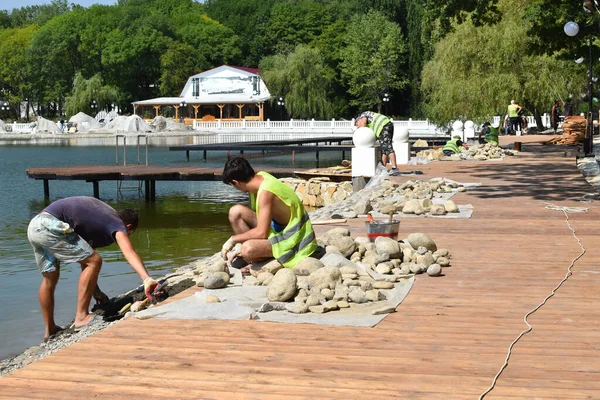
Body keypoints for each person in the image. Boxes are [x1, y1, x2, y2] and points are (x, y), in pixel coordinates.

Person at [27, 196, 160, 341]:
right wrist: (147, 279)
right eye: (129, 234)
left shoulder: (99, 220)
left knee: (50, 279)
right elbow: (129, 253)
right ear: (128, 227)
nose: (125, 236)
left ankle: (49, 329)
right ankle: (81, 317)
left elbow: (86, 262)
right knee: (95, 261)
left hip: (35, 225)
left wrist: (97, 293)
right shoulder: (116, 222)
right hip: (51, 225)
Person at [220, 157, 318, 270]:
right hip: (275, 231)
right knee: (235, 212)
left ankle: (262, 257)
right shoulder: (261, 176)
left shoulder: (266, 192)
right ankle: (259, 254)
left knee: (247, 249)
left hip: (292, 240)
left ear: (236, 182)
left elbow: (262, 233)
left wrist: (233, 240)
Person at [354, 111, 400, 176]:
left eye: (357, 125)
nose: (357, 127)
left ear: (358, 120)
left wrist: (360, 130)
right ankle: (383, 168)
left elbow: (363, 124)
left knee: (388, 147)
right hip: (386, 125)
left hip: (384, 126)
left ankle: (394, 168)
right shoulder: (369, 123)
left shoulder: (363, 115)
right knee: (384, 149)